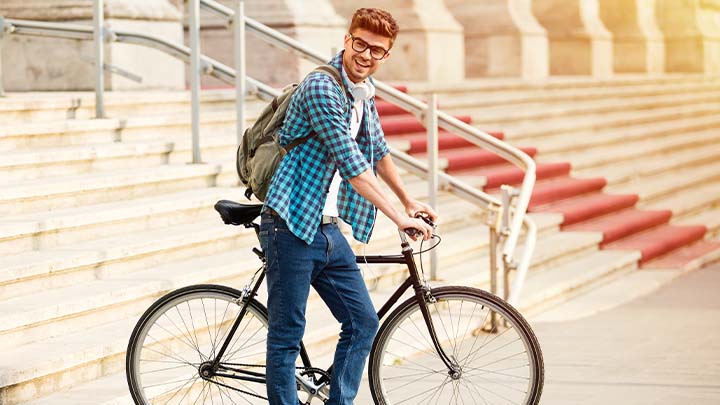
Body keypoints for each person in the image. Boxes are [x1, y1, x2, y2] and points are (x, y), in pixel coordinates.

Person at [258, 7, 437, 405]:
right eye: (361, 44)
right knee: (287, 334)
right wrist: (399, 217)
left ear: (386, 55)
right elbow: (353, 165)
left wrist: (409, 199)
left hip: (325, 229)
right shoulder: (322, 87)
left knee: (362, 323)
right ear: (347, 40)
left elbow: (377, 150)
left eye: (377, 50)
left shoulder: (362, 91)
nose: (366, 55)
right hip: (289, 223)